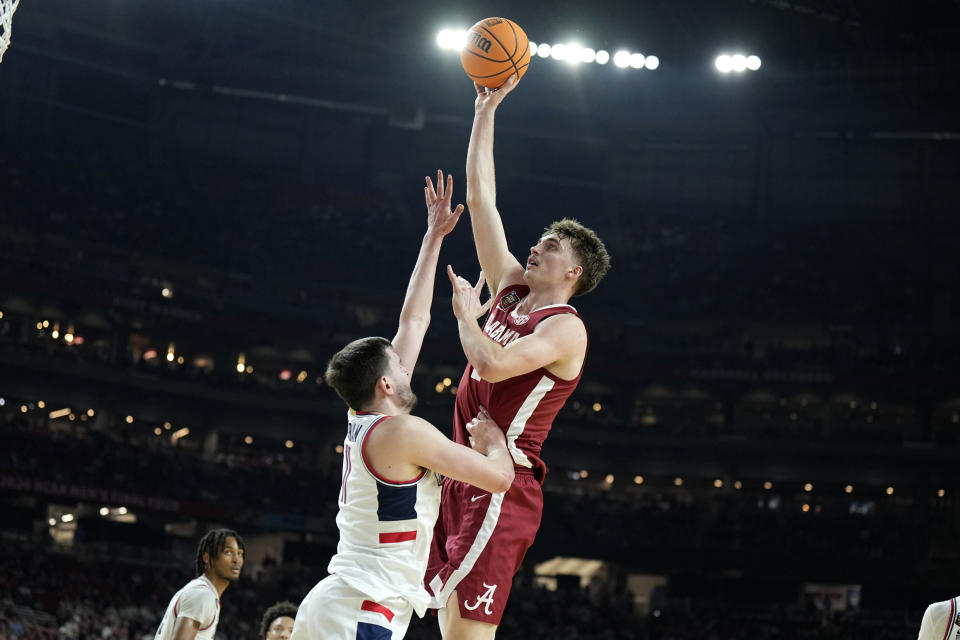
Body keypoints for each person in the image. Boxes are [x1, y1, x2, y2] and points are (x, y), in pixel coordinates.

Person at [290, 171, 515, 640]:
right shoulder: (402, 433)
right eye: (398, 360)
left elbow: (414, 319)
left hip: (345, 602)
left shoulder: (368, 415)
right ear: (387, 383)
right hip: (361, 608)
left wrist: (432, 236)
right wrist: (496, 443)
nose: (407, 357)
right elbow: (499, 478)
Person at [425, 75, 611, 639]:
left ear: (573, 273)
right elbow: (482, 201)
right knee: (444, 622)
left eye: (550, 247)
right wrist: (485, 111)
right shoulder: (509, 285)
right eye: (539, 240)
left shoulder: (565, 330)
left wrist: (465, 316)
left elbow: (492, 365)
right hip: (462, 467)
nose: (535, 247)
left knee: (469, 636)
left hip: (502, 482)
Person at [155, 529, 245, 640]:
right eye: (228, 552)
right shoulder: (202, 595)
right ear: (207, 558)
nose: (237, 559)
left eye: (240, 553)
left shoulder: (202, 592)